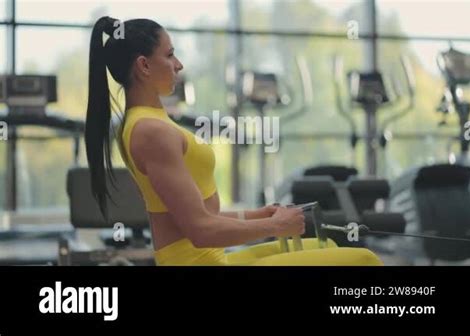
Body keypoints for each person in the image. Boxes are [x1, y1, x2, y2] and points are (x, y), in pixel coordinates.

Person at [85, 16, 383, 266]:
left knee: (326, 244)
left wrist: (259, 214)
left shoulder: (149, 121)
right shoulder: (150, 131)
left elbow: (200, 215)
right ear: (144, 66)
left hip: (211, 258)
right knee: (364, 259)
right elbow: (201, 230)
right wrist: (274, 226)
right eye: (169, 54)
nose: (179, 64)